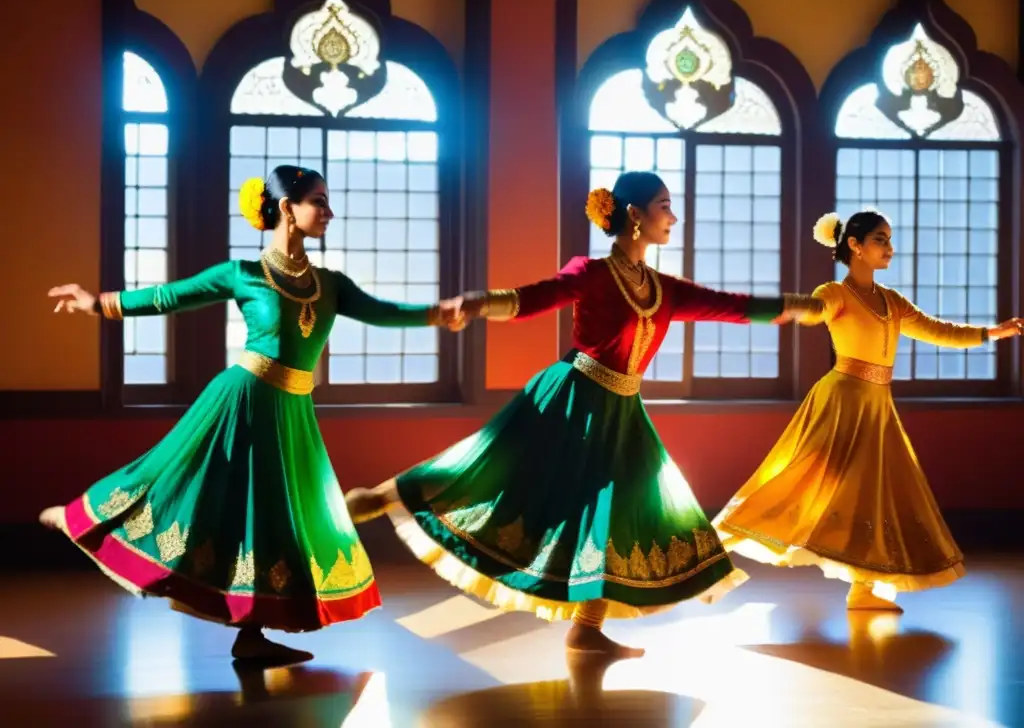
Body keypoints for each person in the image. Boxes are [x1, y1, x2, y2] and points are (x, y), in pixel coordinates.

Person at [344, 171, 823, 658]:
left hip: (623, 413)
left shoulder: (664, 288)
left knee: (617, 516)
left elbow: (730, 306)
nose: (673, 217)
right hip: (572, 398)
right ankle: (385, 497)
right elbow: (538, 297)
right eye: (665, 206)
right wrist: (478, 303)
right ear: (635, 215)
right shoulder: (592, 272)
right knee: (497, 473)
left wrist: (802, 307)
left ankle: (586, 628)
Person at [39, 165, 464, 663]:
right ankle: (75, 518)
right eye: (319, 202)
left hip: (292, 412)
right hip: (242, 400)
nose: (328, 212)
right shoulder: (243, 274)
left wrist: (440, 313)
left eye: (327, 203)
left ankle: (252, 635)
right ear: (288, 208)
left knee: (271, 520)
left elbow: (384, 311)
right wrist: (97, 304)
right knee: (170, 480)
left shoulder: (331, 284)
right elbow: (168, 297)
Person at [713, 209, 1023, 612]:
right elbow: (816, 309)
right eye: (880, 239)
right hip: (842, 400)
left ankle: (863, 587)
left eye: (890, 240)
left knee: (873, 496)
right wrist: (790, 308)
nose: (889, 248)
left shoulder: (891, 301)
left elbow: (936, 330)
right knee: (805, 481)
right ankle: (722, 539)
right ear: (854, 246)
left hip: (878, 405)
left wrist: (990, 333)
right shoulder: (836, 293)